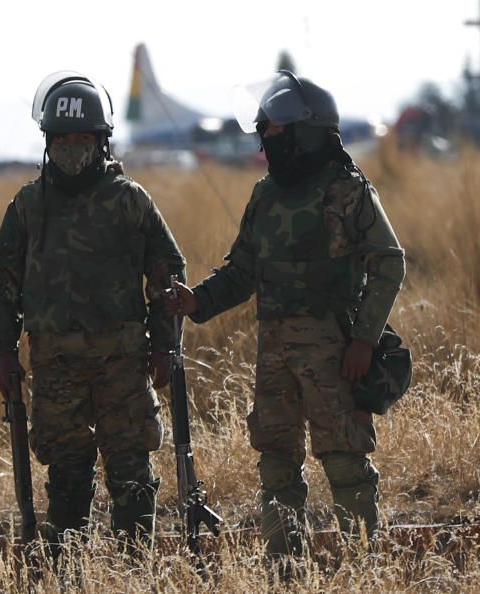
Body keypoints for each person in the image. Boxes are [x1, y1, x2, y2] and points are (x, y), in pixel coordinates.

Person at [167, 71, 405, 560]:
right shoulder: (265, 194)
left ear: (306, 132)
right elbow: (243, 270)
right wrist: (198, 302)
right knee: (276, 463)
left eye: (274, 131)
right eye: (264, 132)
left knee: (344, 460)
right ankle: (284, 570)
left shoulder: (347, 190)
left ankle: (363, 568)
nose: (266, 140)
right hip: (273, 351)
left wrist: (364, 340)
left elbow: (388, 261)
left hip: (335, 350)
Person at [0, 71, 185, 551]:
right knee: (68, 471)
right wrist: (2, 353)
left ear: (102, 142)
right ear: (48, 142)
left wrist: (165, 344)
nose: (72, 148)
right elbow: (1, 280)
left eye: (82, 139)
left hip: (123, 360)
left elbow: (167, 271)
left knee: (131, 468)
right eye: (62, 139)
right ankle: (66, 570)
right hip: (55, 364)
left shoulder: (129, 200)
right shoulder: (30, 206)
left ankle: (134, 570)